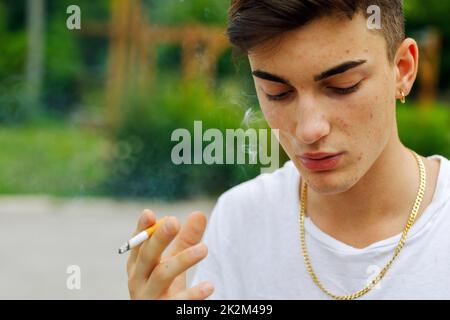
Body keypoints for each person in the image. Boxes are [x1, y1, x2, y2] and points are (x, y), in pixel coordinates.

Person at [126, 0, 450, 300]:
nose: (308, 130)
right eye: (277, 92)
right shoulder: (241, 220)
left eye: (342, 86)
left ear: (403, 69)